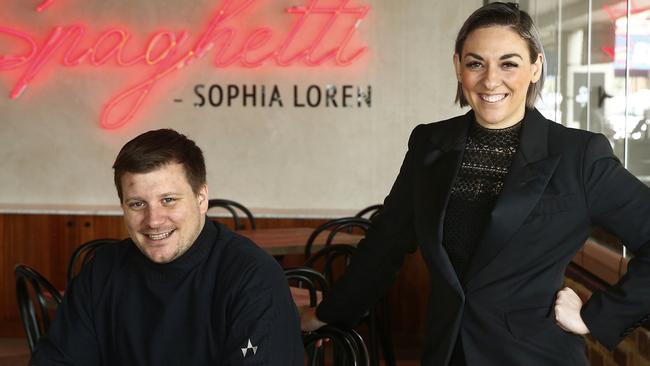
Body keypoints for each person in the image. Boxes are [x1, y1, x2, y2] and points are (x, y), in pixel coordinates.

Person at [301, 2, 650, 365]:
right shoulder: (429, 145)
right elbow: (386, 243)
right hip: (446, 354)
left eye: (509, 63)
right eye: (475, 63)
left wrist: (596, 317)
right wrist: (329, 314)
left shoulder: (579, 156)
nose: (490, 80)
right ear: (458, 67)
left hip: (534, 356)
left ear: (535, 68)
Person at [31, 129, 303, 365]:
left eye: (169, 200)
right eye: (137, 204)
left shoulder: (252, 279)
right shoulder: (102, 272)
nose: (154, 220)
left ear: (201, 198)